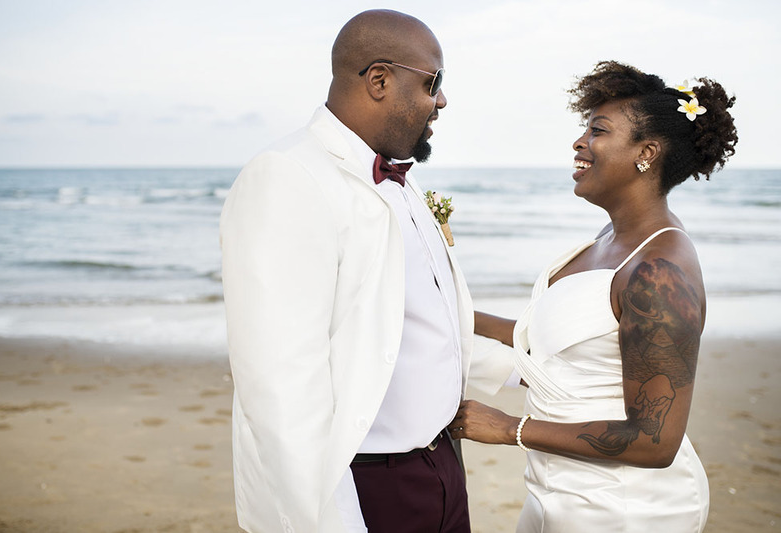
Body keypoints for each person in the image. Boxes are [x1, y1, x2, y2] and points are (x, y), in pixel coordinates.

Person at [220, 10, 518, 533]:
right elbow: (279, 383)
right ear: (380, 80)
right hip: (364, 485)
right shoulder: (288, 176)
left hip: (442, 466)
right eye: (433, 83)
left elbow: (425, 322)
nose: (442, 100)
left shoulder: (398, 182)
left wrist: (538, 365)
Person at [448, 60, 738, 532]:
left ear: (646, 152)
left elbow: (655, 441)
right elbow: (540, 339)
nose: (580, 143)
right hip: (555, 491)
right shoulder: (608, 237)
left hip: (623, 508)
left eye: (597, 131)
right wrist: (442, 312)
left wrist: (508, 429)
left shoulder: (659, 272)